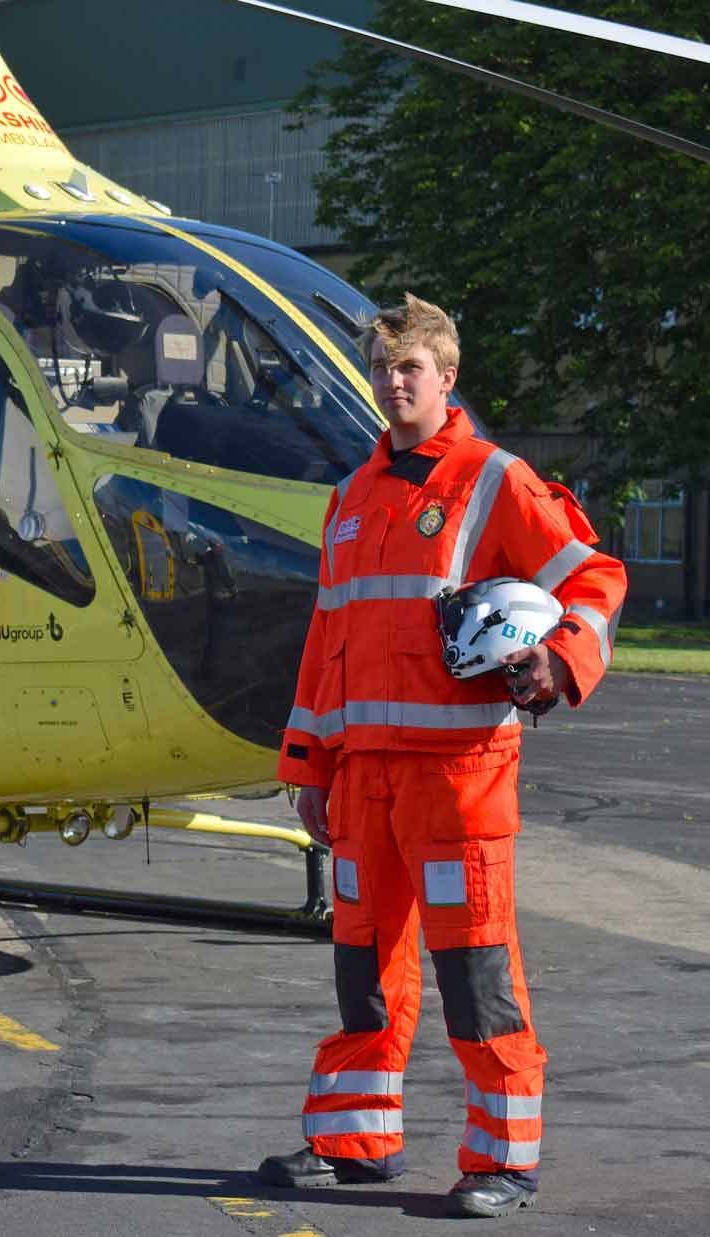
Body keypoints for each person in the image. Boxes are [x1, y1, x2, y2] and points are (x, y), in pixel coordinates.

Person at [259, 295, 626, 1218]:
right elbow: (326, 643)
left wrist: (559, 660)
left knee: (476, 974)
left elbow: (593, 576)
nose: (394, 383)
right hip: (362, 781)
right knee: (364, 965)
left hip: (460, 780)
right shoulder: (349, 499)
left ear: (446, 375)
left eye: (410, 367)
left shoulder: (495, 479)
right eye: (382, 368)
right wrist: (309, 764)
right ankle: (353, 1142)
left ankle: (501, 1160)